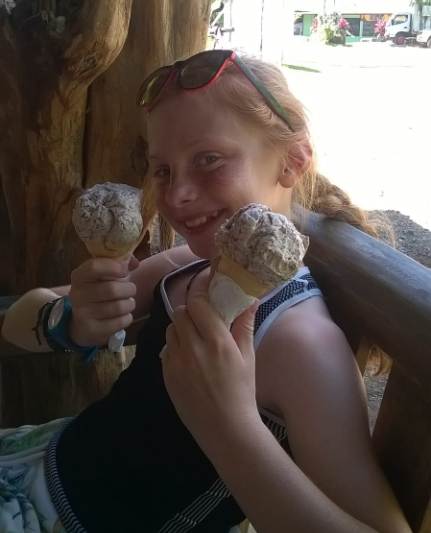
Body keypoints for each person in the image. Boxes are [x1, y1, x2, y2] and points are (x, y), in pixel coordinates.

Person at [1, 49, 411, 533]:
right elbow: (14, 325)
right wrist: (68, 319)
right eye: (163, 170)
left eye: (209, 160)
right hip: (41, 464)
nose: (176, 195)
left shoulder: (301, 340)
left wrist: (230, 428)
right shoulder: (186, 265)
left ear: (291, 160)